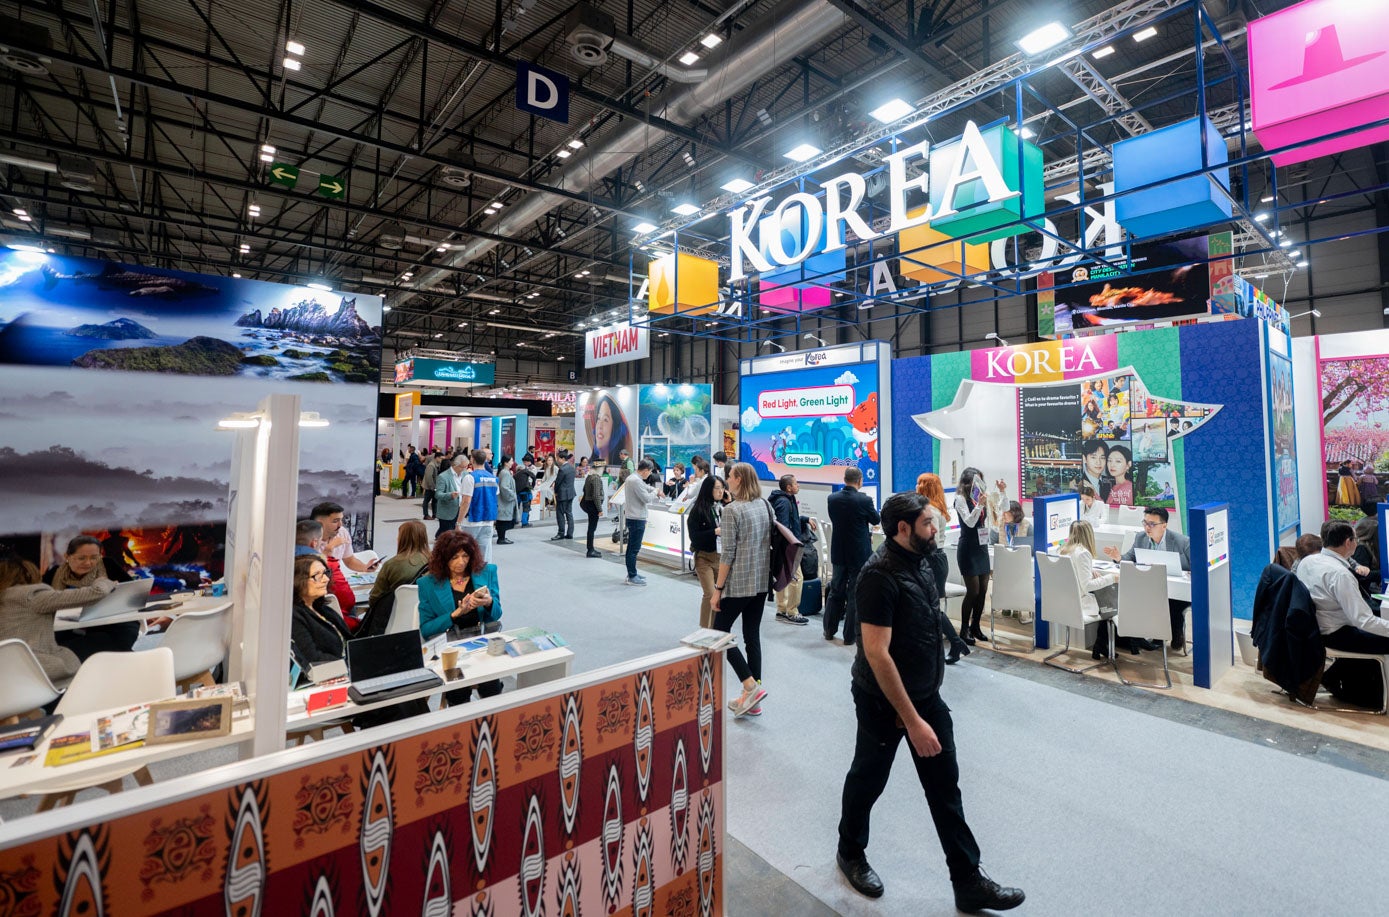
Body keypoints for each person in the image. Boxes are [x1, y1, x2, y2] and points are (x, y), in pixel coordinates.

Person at [834, 492, 1025, 913]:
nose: (935, 529)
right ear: (903, 529)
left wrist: (953, 644)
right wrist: (912, 721)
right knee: (868, 779)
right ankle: (850, 852)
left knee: (944, 789)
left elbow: (927, 615)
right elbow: (877, 654)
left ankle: (968, 880)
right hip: (883, 702)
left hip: (926, 695)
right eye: (927, 524)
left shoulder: (922, 561)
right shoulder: (877, 576)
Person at [710, 463, 774, 716]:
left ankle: (749, 685)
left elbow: (727, 555)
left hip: (738, 583)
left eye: (729, 477)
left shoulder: (732, 511)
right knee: (752, 636)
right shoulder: (764, 505)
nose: (726, 481)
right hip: (760, 582)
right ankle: (753, 699)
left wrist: (718, 589)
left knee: (718, 634)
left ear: (738, 479)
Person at [416, 530, 504, 704]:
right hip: (450, 648)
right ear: (443, 558)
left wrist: (488, 603)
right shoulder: (427, 584)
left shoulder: (487, 572)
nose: (461, 562)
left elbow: (497, 614)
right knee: (457, 694)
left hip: (481, 643)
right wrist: (455, 614)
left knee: (491, 689)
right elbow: (426, 629)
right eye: (454, 557)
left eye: (465, 556)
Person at [0, 551, 115, 682]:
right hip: (38, 669)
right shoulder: (31, 596)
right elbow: (96, 592)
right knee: (101, 639)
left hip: (6, 674)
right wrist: (103, 581)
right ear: (28, 574)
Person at [1103, 505, 1191, 650]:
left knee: (1170, 603)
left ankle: (1175, 633)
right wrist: (1118, 558)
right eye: (1145, 523)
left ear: (1164, 525)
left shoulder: (1182, 541)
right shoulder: (1140, 538)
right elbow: (1129, 557)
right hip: (1150, 586)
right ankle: (1141, 635)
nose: (1147, 527)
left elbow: (1198, 566)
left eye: (1152, 524)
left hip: (1178, 591)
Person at [1297, 521, 1389, 654]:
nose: (1357, 543)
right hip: (1338, 633)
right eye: (1355, 539)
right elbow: (1363, 620)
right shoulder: (1340, 574)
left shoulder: (1307, 561)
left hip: (1315, 629)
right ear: (1348, 542)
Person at [42, 534, 140, 659]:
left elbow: (132, 591)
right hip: (67, 625)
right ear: (68, 557)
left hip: (111, 622)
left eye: (94, 558)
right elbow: (42, 601)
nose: (88, 563)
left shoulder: (108, 565)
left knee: (121, 634)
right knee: (58, 643)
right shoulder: (55, 574)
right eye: (81, 558)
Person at [916, 473, 971, 665]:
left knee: (931, 606)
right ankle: (954, 644)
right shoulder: (936, 508)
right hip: (937, 560)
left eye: (919, 484)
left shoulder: (929, 511)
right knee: (929, 606)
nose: (916, 486)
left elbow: (925, 540)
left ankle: (955, 642)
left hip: (931, 560)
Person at [825, 467, 880, 646]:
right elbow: (876, 520)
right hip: (858, 553)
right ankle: (849, 636)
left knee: (836, 590)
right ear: (860, 480)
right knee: (854, 593)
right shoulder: (864, 500)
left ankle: (829, 629)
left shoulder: (832, 499)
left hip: (839, 551)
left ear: (845, 479)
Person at [1061, 521, 1122, 658]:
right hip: (1080, 603)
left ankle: (1101, 645)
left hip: (1066, 602)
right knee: (1111, 604)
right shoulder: (1083, 553)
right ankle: (1102, 644)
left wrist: (1089, 570)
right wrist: (1112, 578)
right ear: (1089, 535)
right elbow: (1087, 586)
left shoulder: (1064, 550)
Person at [953, 468, 1000, 645]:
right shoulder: (960, 499)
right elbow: (970, 522)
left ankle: (976, 626)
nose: (979, 485)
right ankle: (964, 629)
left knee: (983, 592)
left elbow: (993, 517)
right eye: (977, 481)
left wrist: (998, 494)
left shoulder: (980, 497)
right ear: (968, 482)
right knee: (973, 591)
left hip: (981, 548)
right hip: (967, 549)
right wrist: (979, 504)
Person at [290, 554, 352, 665]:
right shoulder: (294, 616)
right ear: (298, 581)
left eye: (325, 573)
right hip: (330, 672)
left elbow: (350, 641)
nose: (326, 579)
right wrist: (350, 665)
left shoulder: (323, 609)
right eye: (316, 576)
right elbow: (313, 658)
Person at [769, 474, 813, 626]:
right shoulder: (784, 502)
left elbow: (791, 520)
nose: (798, 485)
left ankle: (781, 610)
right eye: (796, 483)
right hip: (788, 548)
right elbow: (783, 526)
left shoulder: (786, 500)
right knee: (796, 578)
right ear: (789, 487)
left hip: (784, 547)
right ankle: (792, 611)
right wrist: (791, 546)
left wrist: (805, 519)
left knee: (783, 577)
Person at [295, 519, 356, 619]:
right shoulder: (323, 565)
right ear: (314, 543)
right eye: (321, 540)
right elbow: (347, 600)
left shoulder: (284, 561)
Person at [687, 475, 724, 629]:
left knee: (719, 596)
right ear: (709, 489)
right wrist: (714, 532)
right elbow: (695, 537)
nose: (721, 491)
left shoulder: (721, 508)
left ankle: (714, 629)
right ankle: (704, 629)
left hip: (720, 557)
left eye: (723, 488)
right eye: (717, 488)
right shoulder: (698, 510)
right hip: (704, 557)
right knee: (709, 594)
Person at [368, 520, 430, 606]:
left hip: (394, 616)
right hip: (426, 615)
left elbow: (374, 599)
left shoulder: (391, 565)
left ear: (402, 539)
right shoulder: (436, 562)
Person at [620, 458, 662, 586]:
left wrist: (654, 490)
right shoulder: (635, 481)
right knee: (634, 549)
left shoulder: (633, 478)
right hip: (636, 518)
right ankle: (632, 576)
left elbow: (645, 487)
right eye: (649, 472)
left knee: (632, 548)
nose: (650, 474)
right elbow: (646, 498)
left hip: (633, 517)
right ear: (645, 471)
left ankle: (632, 572)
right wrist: (656, 491)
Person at [458, 449, 499, 563]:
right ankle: (482, 578)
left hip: (472, 520)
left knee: (466, 553)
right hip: (488, 520)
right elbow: (494, 496)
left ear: (472, 460)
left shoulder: (470, 478)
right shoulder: (493, 478)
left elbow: (466, 501)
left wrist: (458, 522)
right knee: (484, 555)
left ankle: (468, 578)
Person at [311, 502, 377, 573]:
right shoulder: (306, 539)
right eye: (335, 521)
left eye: (341, 520)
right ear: (320, 523)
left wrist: (365, 567)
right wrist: (329, 549)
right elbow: (312, 571)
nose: (340, 525)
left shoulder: (342, 532)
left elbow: (350, 561)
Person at [589, 394, 631, 462]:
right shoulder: (590, 464)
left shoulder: (622, 465)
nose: (600, 426)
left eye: (605, 420)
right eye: (599, 418)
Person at [433, 453, 468, 537]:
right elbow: (438, 494)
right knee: (448, 535)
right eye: (462, 467)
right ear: (455, 465)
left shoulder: (465, 474)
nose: (464, 469)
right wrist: (450, 495)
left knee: (456, 534)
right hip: (447, 511)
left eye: (466, 467)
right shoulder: (443, 476)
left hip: (461, 509)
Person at [1351, 516, 1380, 608]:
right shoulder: (1361, 549)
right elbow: (1362, 575)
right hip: (1366, 594)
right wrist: (1381, 574)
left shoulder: (1365, 546)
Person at [580, 463, 605, 558]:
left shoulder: (589, 477)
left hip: (588, 504)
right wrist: (600, 509)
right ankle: (590, 550)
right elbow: (596, 496)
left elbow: (584, 489)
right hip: (593, 506)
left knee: (591, 528)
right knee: (592, 528)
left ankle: (590, 549)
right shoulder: (596, 478)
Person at [551, 450, 577, 541]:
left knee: (560, 514)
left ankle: (561, 533)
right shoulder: (571, 468)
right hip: (571, 493)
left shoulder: (562, 469)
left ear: (562, 459)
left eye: (558, 458)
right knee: (569, 513)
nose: (557, 460)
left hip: (562, 495)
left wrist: (556, 491)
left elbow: (558, 482)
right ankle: (570, 533)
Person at [495, 454, 518, 545]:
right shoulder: (505, 473)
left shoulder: (504, 472)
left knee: (502, 519)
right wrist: (512, 495)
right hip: (505, 500)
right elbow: (504, 487)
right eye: (511, 461)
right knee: (503, 520)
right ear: (506, 462)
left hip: (503, 500)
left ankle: (502, 537)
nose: (512, 463)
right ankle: (501, 538)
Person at [513, 457, 535, 528]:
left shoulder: (514, 475)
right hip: (526, 492)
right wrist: (532, 486)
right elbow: (534, 476)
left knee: (516, 507)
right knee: (526, 507)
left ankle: (514, 520)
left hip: (518, 493)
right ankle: (524, 523)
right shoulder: (525, 471)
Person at [421, 451, 441, 520]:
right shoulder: (431, 465)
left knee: (435, 501)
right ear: (437, 458)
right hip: (430, 487)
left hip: (434, 486)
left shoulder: (436, 465)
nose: (441, 460)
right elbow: (429, 477)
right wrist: (432, 487)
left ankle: (435, 514)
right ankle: (426, 515)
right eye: (441, 458)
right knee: (426, 501)